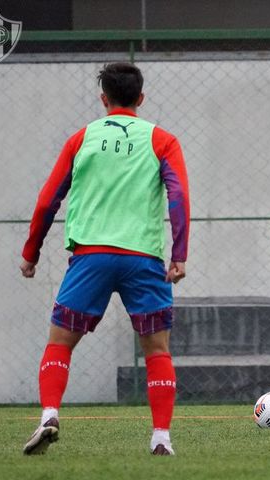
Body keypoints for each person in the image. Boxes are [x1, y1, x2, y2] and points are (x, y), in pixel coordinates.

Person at [20, 63, 190, 455]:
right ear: (141, 99)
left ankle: (49, 414)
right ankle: (161, 437)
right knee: (157, 350)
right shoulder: (162, 140)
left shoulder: (82, 138)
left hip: (90, 257)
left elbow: (48, 199)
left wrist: (31, 253)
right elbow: (178, 197)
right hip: (142, 259)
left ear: (103, 99)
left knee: (61, 343)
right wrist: (179, 254)